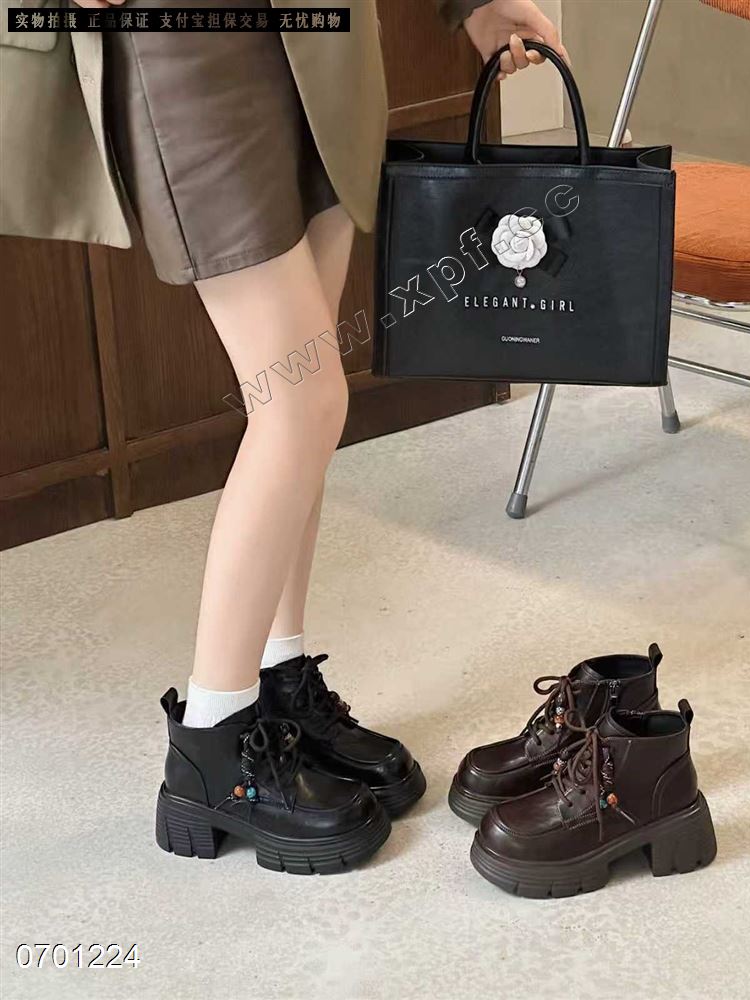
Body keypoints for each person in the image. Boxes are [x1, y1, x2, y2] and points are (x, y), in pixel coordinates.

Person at [0, 0, 567, 872]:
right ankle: (211, 745)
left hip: (325, 37)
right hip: (186, 46)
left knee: (303, 395)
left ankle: (280, 687)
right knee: (302, 402)